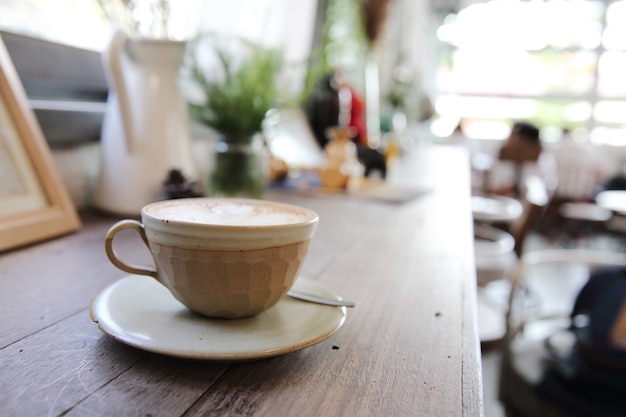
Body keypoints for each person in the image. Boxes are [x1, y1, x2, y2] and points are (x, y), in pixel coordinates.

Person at [486, 121, 556, 198]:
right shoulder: (511, 157)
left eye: (514, 136)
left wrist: (513, 188)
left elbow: (538, 187)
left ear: (525, 140)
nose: (510, 140)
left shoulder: (543, 160)